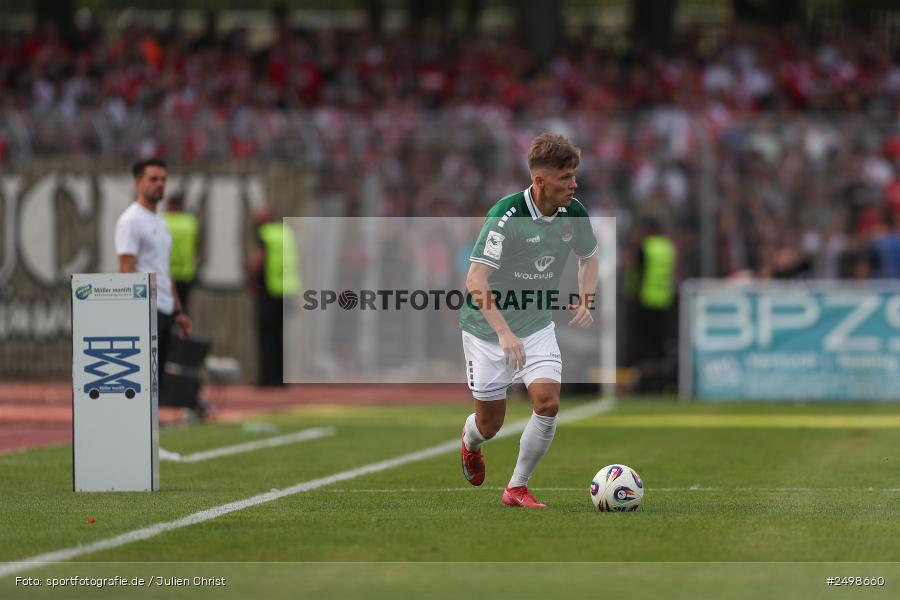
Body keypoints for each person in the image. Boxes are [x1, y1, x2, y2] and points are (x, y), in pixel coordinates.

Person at [458, 133, 599, 508]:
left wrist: (587, 297)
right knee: (489, 426)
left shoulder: (575, 213)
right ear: (540, 181)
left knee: (548, 402)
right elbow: (475, 280)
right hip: (487, 331)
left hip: (536, 326)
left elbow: (589, 256)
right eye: (566, 177)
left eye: (573, 175)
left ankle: (516, 488)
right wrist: (504, 333)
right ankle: (470, 443)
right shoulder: (505, 218)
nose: (574, 184)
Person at [116, 158, 192, 399]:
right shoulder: (131, 221)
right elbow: (126, 268)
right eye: (153, 179)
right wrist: (137, 310)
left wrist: (178, 310)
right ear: (138, 183)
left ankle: (150, 433)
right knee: (143, 378)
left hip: (164, 308)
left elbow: (164, 270)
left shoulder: (160, 221)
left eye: (163, 179)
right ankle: (140, 433)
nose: (160, 184)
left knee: (156, 377)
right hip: (146, 308)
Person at [248, 205, 300, 386]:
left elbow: (258, 260)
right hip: (287, 290)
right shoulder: (286, 232)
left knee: (267, 337)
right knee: (280, 337)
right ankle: (280, 378)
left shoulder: (266, 234)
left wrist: (252, 281)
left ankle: (267, 378)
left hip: (270, 290)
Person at [162, 191, 200, 312]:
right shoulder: (191, 223)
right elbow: (196, 247)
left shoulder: (162, 221)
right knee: (182, 309)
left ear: (170, 205)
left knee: (165, 310)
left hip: (165, 274)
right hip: (185, 274)